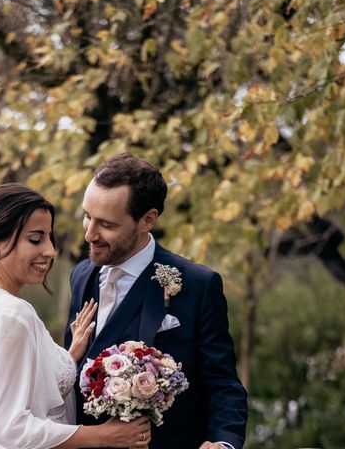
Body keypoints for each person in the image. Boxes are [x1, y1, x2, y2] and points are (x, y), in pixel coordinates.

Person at [0, 183, 151, 448]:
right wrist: (105, 435)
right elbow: (11, 428)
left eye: (49, 238)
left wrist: (68, 356)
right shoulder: (11, 315)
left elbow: (5, 383)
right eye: (35, 239)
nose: (49, 251)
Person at [65, 154, 248, 449]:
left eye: (106, 225)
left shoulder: (198, 285)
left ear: (147, 219)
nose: (89, 234)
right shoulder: (81, 276)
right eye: (87, 215)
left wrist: (223, 443)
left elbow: (222, 384)